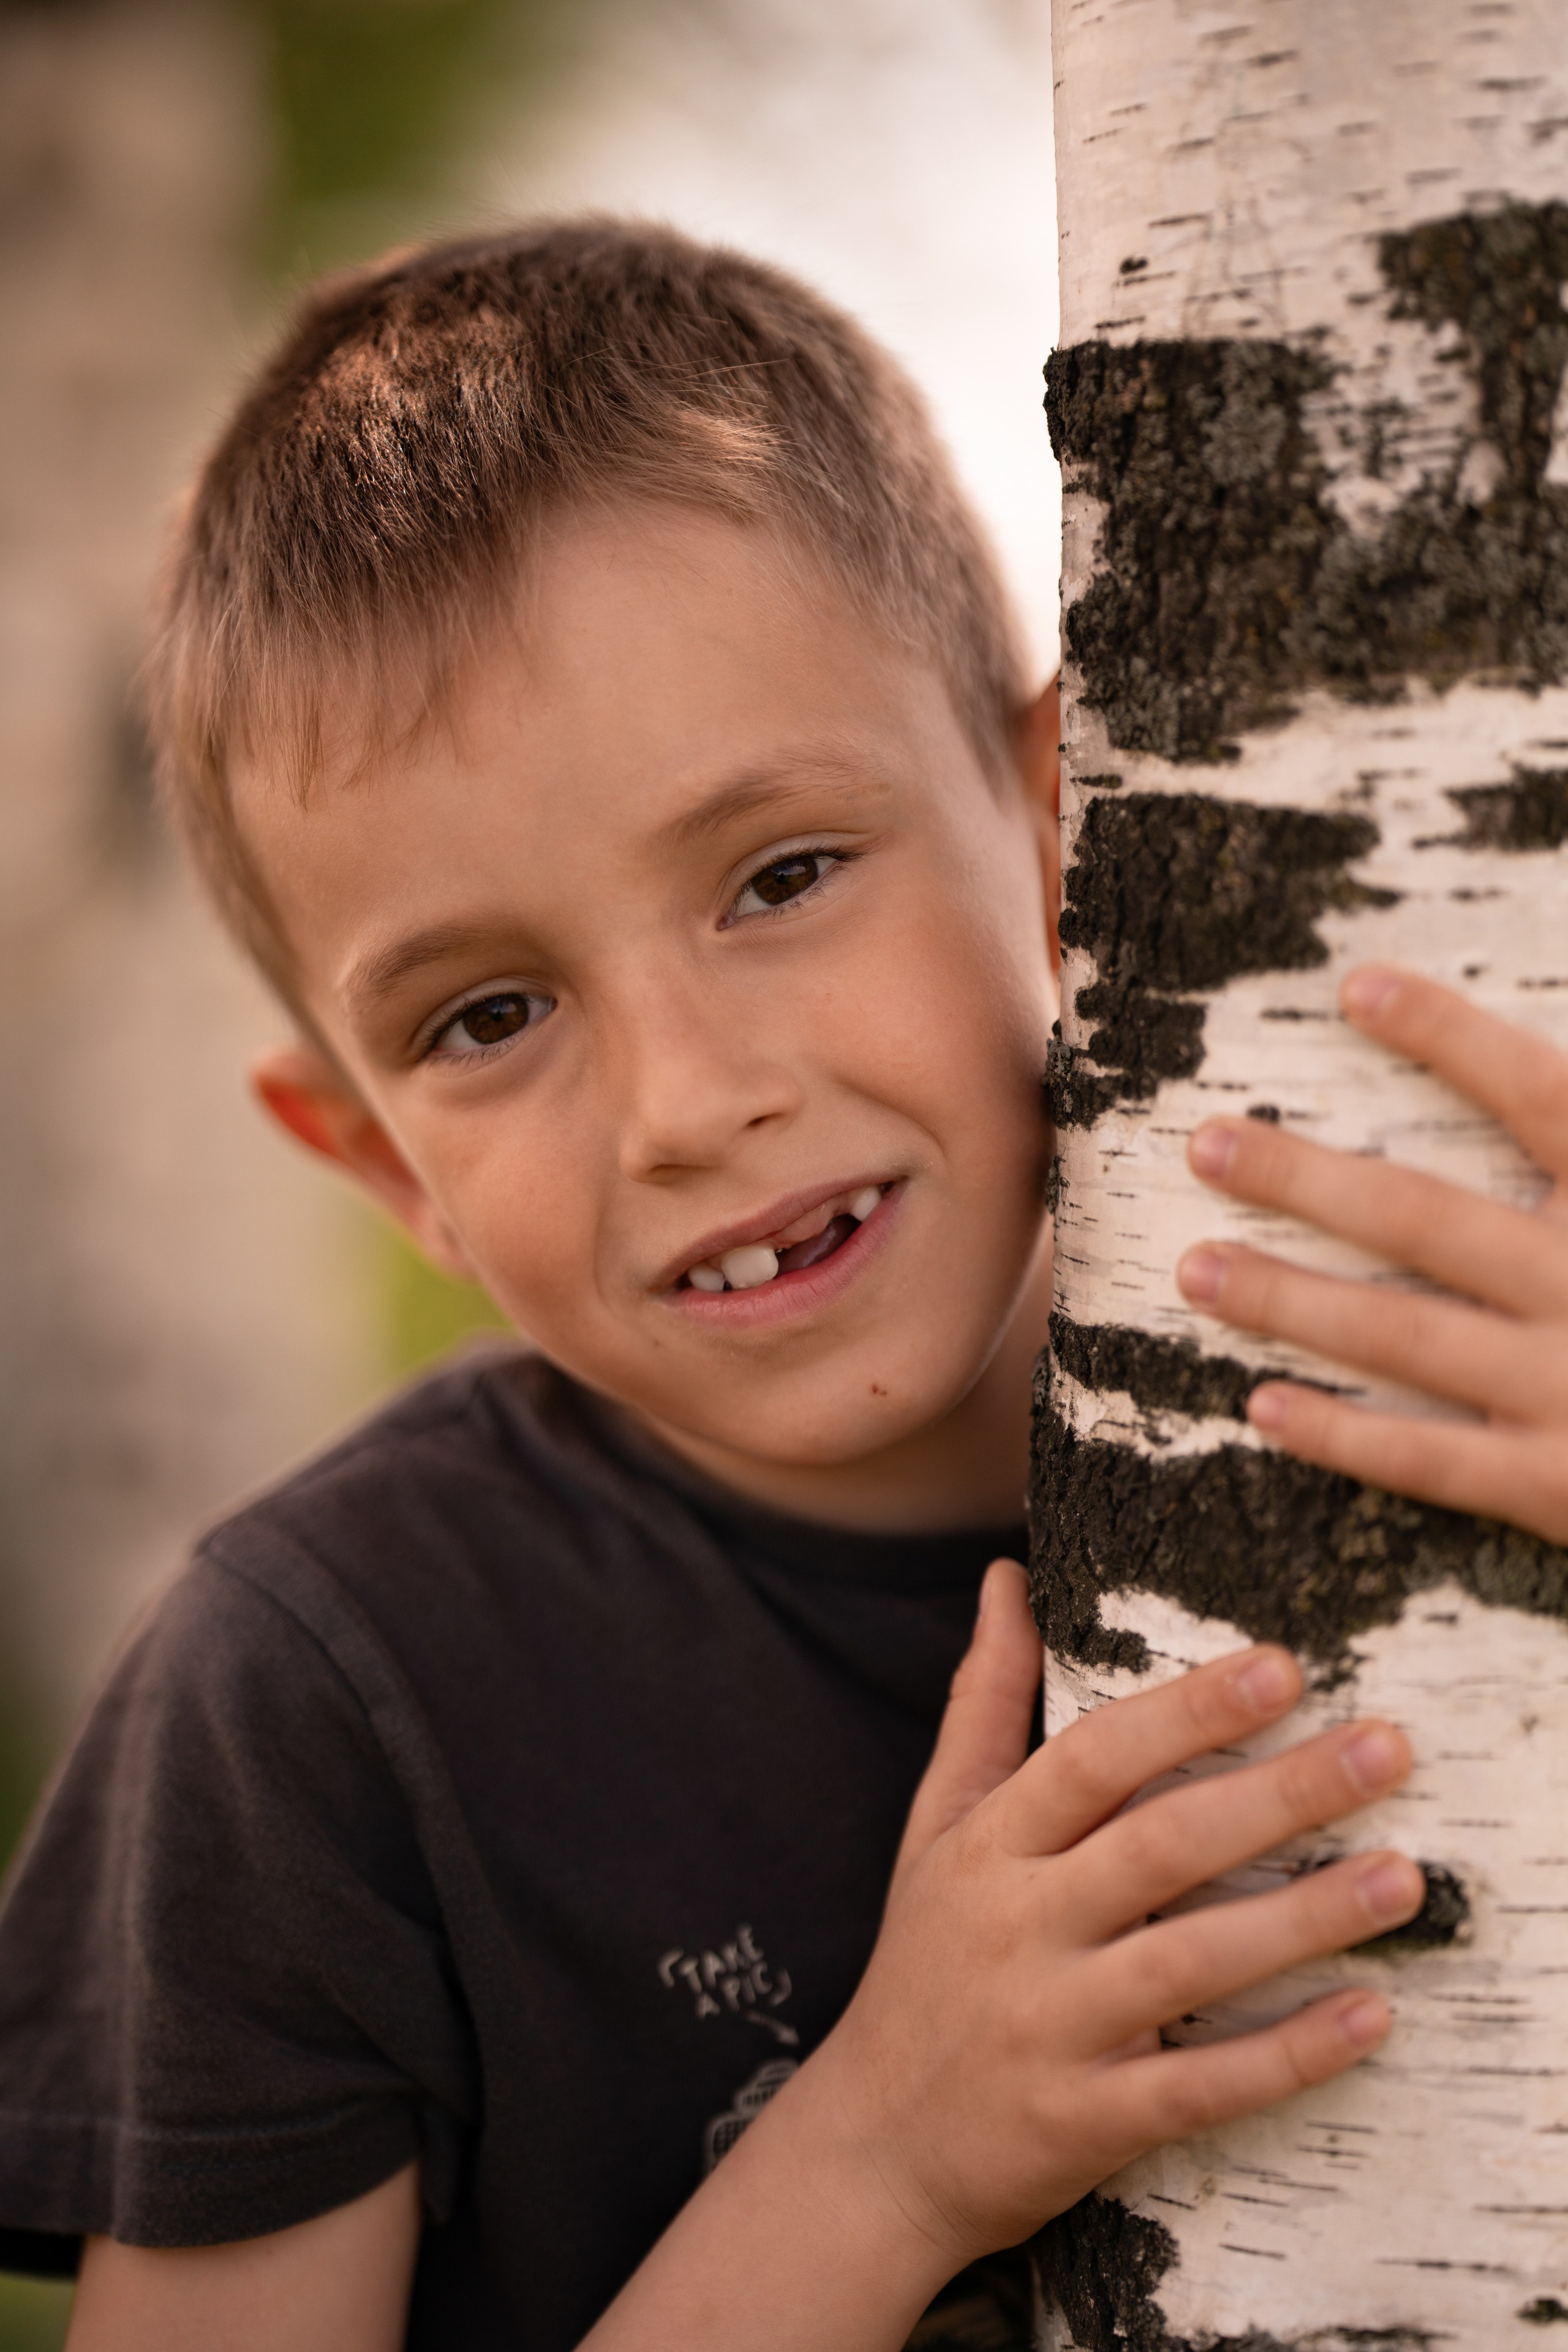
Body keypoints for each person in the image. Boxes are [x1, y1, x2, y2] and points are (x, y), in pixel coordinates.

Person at [0, 220, 1562, 2352]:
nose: (684, 1103)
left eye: (782, 876)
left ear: (1071, 826)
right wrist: (884, 2163)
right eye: (486, 1017)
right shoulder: (318, 1712)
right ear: (379, 1164)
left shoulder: (1423, 1395)